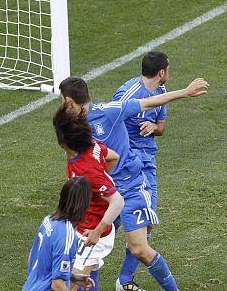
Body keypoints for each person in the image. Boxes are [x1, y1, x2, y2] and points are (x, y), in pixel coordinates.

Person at [58, 76, 209, 291]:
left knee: (139, 249)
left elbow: (146, 103)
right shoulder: (72, 128)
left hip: (128, 187)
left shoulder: (109, 111)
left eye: (63, 102)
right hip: (100, 195)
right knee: (89, 257)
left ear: (70, 102)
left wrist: (185, 92)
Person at [111, 51, 170, 286]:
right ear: (161, 72)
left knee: (148, 223)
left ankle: (125, 279)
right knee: (112, 221)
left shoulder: (162, 92)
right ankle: (86, 269)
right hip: (126, 167)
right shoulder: (128, 94)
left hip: (148, 164)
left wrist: (153, 126)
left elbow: (162, 128)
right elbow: (109, 122)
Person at [53, 105, 125, 291]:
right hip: (81, 225)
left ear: (63, 143)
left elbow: (118, 202)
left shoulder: (88, 171)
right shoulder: (91, 145)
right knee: (83, 281)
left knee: (67, 285)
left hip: (93, 233)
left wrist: (97, 232)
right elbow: (113, 157)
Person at [23, 177, 96, 291]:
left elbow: (33, 256)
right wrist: (61, 279)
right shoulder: (67, 237)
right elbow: (57, 285)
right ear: (84, 203)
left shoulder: (49, 220)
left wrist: (70, 276)